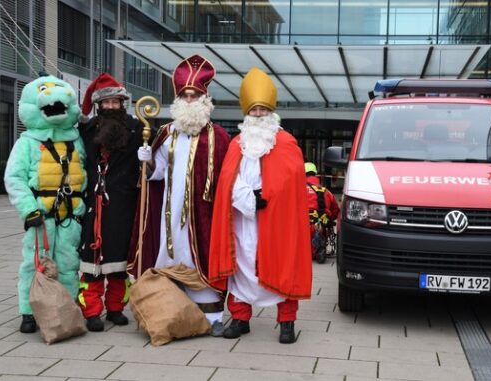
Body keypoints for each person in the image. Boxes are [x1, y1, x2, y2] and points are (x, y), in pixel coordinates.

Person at [208, 67, 312, 344]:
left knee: (283, 263)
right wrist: (247, 197)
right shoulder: (236, 144)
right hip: (244, 218)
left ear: (271, 112)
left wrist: (271, 195)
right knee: (240, 266)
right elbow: (228, 179)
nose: (258, 115)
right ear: (246, 112)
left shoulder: (287, 142)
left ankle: (287, 322)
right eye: (253, 110)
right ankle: (240, 319)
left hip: (277, 220)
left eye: (263, 110)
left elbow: (291, 182)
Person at [135, 55, 231, 336]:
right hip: (171, 211)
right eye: (185, 95)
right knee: (173, 253)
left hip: (205, 213)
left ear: (205, 98)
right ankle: (170, 311)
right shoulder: (166, 133)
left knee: (202, 258)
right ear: (178, 99)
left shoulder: (220, 136)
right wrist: (148, 161)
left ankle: (212, 319)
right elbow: (158, 173)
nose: (190, 99)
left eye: (195, 95)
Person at [4, 75, 85, 333]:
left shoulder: (76, 140)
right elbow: (14, 178)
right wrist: (29, 209)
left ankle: (66, 306)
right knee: (35, 262)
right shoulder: (26, 143)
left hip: (71, 214)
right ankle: (29, 311)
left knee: (69, 263)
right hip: (40, 213)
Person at [77, 73, 146, 332]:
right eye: (105, 103)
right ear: (99, 105)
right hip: (93, 204)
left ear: (122, 103)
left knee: (118, 260)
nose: (110, 107)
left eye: (115, 102)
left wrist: (147, 158)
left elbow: (148, 168)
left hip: (123, 202)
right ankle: (92, 311)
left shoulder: (137, 128)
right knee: (91, 259)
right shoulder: (87, 129)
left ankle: (115, 308)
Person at [305, 162, 340, 263]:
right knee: (322, 224)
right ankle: (318, 249)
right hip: (319, 227)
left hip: (300, 228)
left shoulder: (295, 190)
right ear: (315, 174)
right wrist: (328, 220)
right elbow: (335, 211)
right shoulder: (325, 191)